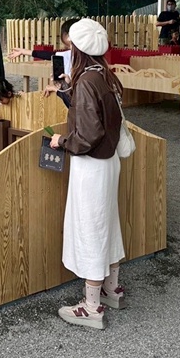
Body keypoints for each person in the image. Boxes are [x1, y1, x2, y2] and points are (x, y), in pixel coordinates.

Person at [47, 18, 125, 329]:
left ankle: (92, 307)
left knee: (91, 226)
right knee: (109, 222)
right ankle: (112, 288)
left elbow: (89, 131)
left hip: (91, 164)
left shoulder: (87, 81)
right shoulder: (104, 74)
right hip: (109, 161)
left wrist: (62, 141)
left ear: (78, 48)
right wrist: (67, 91)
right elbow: (98, 115)